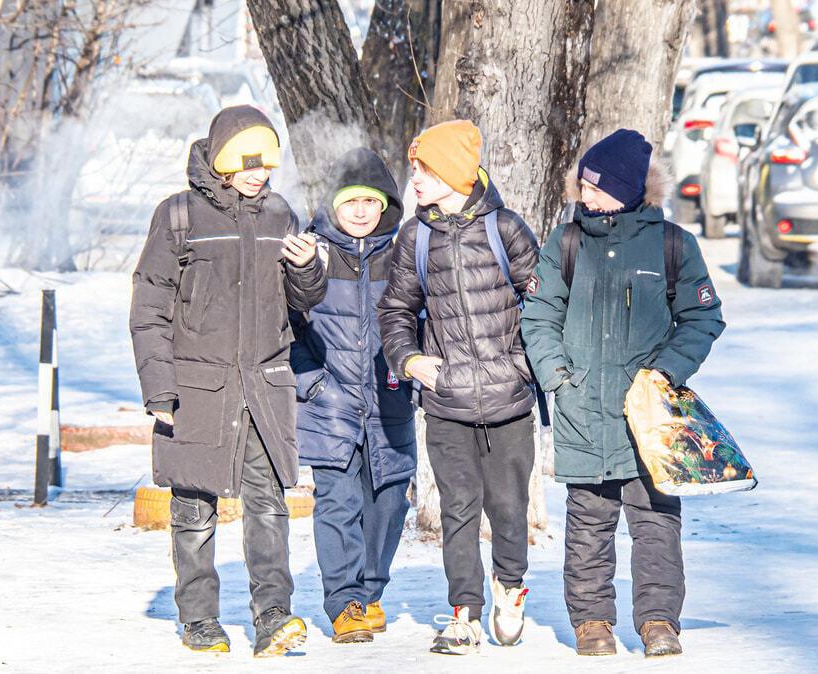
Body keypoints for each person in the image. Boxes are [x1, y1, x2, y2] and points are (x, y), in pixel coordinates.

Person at [520, 129, 725, 657]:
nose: (585, 196)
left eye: (597, 187)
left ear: (629, 189)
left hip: (650, 414)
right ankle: (592, 622)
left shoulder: (672, 244)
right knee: (588, 522)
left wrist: (664, 374)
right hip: (582, 407)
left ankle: (659, 621)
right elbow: (539, 317)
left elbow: (702, 317)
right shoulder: (565, 243)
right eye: (583, 185)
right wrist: (560, 380)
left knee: (657, 521)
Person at [129, 104, 326, 655]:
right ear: (221, 161)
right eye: (249, 163)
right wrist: (159, 390)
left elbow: (302, 303)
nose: (261, 174)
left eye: (268, 164)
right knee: (194, 510)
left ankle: (273, 618)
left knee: (269, 505)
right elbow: (149, 309)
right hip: (196, 389)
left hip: (263, 386)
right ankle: (198, 619)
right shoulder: (178, 217)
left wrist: (309, 267)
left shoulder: (280, 215)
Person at [376, 119, 540, 655]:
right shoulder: (415, 237)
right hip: (445, 400)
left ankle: (509, 590)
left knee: (509, 508)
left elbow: (541, 306)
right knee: (458, 508)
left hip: (509, 400)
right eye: (415, 168)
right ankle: (464, 612)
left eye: (424, 169)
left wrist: (521, 366)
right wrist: (409, 359)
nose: (415, 178)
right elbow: (396, 309)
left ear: (453, 172)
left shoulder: (506, 229)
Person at [289, 148, 415, 644]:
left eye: (371, 201)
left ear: (385, 205)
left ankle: (371, 591)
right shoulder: (311, 253)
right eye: (350, 201)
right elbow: (288, 327)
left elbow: (421, 318)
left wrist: (413, 372)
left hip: (390, 401)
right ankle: (344, 603)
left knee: (388, 502)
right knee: (337, 504)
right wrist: (311, 383)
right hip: (330, 401)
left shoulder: (405, 254)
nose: (360, 211)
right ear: (332, 204)